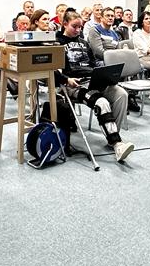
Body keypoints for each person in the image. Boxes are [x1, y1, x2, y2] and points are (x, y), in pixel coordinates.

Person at [56, 11, 134, 162]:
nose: (78, 30)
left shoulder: (84, 43)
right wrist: (66, 79)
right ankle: (117, 144)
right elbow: (54, 70)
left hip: (92, 79)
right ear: (64, 24)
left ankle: (113, 136)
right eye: (74, 26)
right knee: (102, 102)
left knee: (121, 94)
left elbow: (93, 64)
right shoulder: (56, 43)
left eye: (80, 27)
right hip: (73, 84)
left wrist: (105, 72)